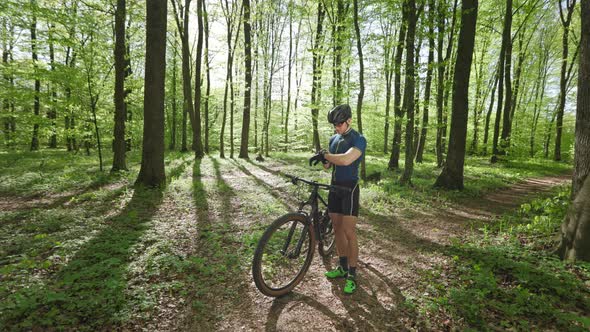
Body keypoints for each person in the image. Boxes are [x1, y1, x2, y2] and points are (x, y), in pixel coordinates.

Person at [309, 104, 367, 294]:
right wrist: (323, 159)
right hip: (334, 188)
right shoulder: (333, 139)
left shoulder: (359, 139)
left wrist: (327, 155)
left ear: (349, 120)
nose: (337, 127)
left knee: (349, 232)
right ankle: (342, 267)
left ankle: (352, 274)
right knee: (337, 228)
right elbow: (329, 166)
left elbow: (345, 160)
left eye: (340, 123)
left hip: (350, 189)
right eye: (334, 124)